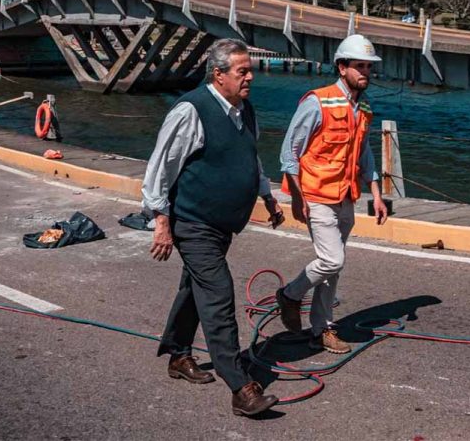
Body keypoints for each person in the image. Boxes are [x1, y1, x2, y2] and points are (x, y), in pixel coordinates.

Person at [142, 38, 283, 417]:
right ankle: (240, 386)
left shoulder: (245, 110)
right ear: (218, 75)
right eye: (243, 71)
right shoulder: (191, 110)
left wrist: (267, 196)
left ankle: (178, 354)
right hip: (193, 222)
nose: (250, 77)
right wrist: (161, 222)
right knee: (218, 293)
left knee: (195, 288)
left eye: (250, 70)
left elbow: (251, 159)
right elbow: (160, 167)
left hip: (223, 224)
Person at [275, 34, 389, 354]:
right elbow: (290, 151)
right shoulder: (318, 101)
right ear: (342, 67)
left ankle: (321, 327)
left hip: (346, 196)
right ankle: (291, 294)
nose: (365, 72)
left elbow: (364, 152)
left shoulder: (363, 107)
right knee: (331, 259)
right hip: (316, 194)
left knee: (334, 268)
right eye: (359, 66)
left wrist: (376, 193)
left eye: (368, 67)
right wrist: (297, 198)